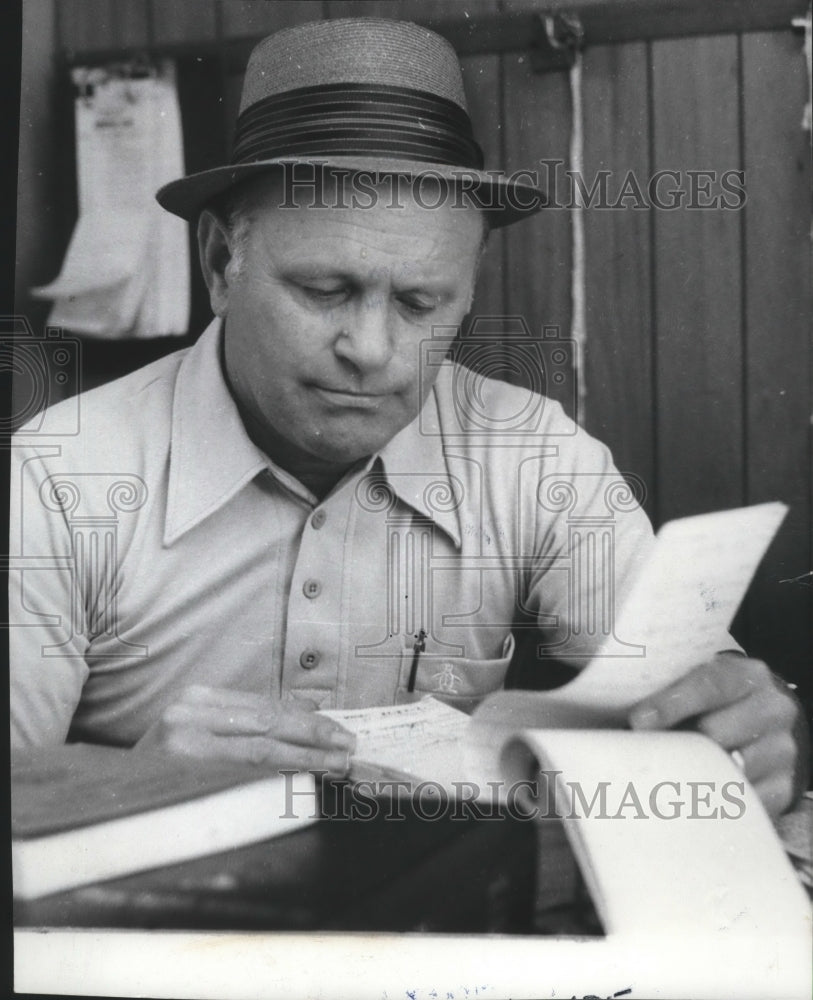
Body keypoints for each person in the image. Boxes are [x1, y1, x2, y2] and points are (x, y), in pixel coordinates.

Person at [9, 17, 806, 818]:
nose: (370, 348)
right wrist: (122, 792)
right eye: (324, 290)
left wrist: (740, 717)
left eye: (421, 302)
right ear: (221, 263)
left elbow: (696, 692)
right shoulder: (54, 482)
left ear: (467, 286)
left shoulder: (532, 455)